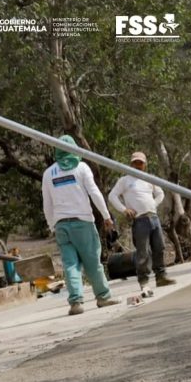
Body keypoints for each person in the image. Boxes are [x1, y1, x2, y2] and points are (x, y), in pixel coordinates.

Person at [42, 135, 121, 316]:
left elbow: (47, 203)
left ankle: (76, 302)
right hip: (83, 223)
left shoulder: (48, 174)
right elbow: (94, 193)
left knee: (70, 264)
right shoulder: (81, 167)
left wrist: (51, 225)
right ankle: (103, 296)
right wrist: (106, 216)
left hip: (61, 226)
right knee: (92, 261)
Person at [108, 151, 176, 297]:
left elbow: (160, 193)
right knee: (143, 252)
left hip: (153, 217)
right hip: (139, 220)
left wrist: (153, 204)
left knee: (159, 247)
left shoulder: (149, 179)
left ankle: (161, 277)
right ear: (131, 164)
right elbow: (112, 196)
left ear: (145, 165)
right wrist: (124, 209)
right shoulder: (125, 180)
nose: (138, 165)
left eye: (140, 163)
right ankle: (144, 281)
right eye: (135, 163)